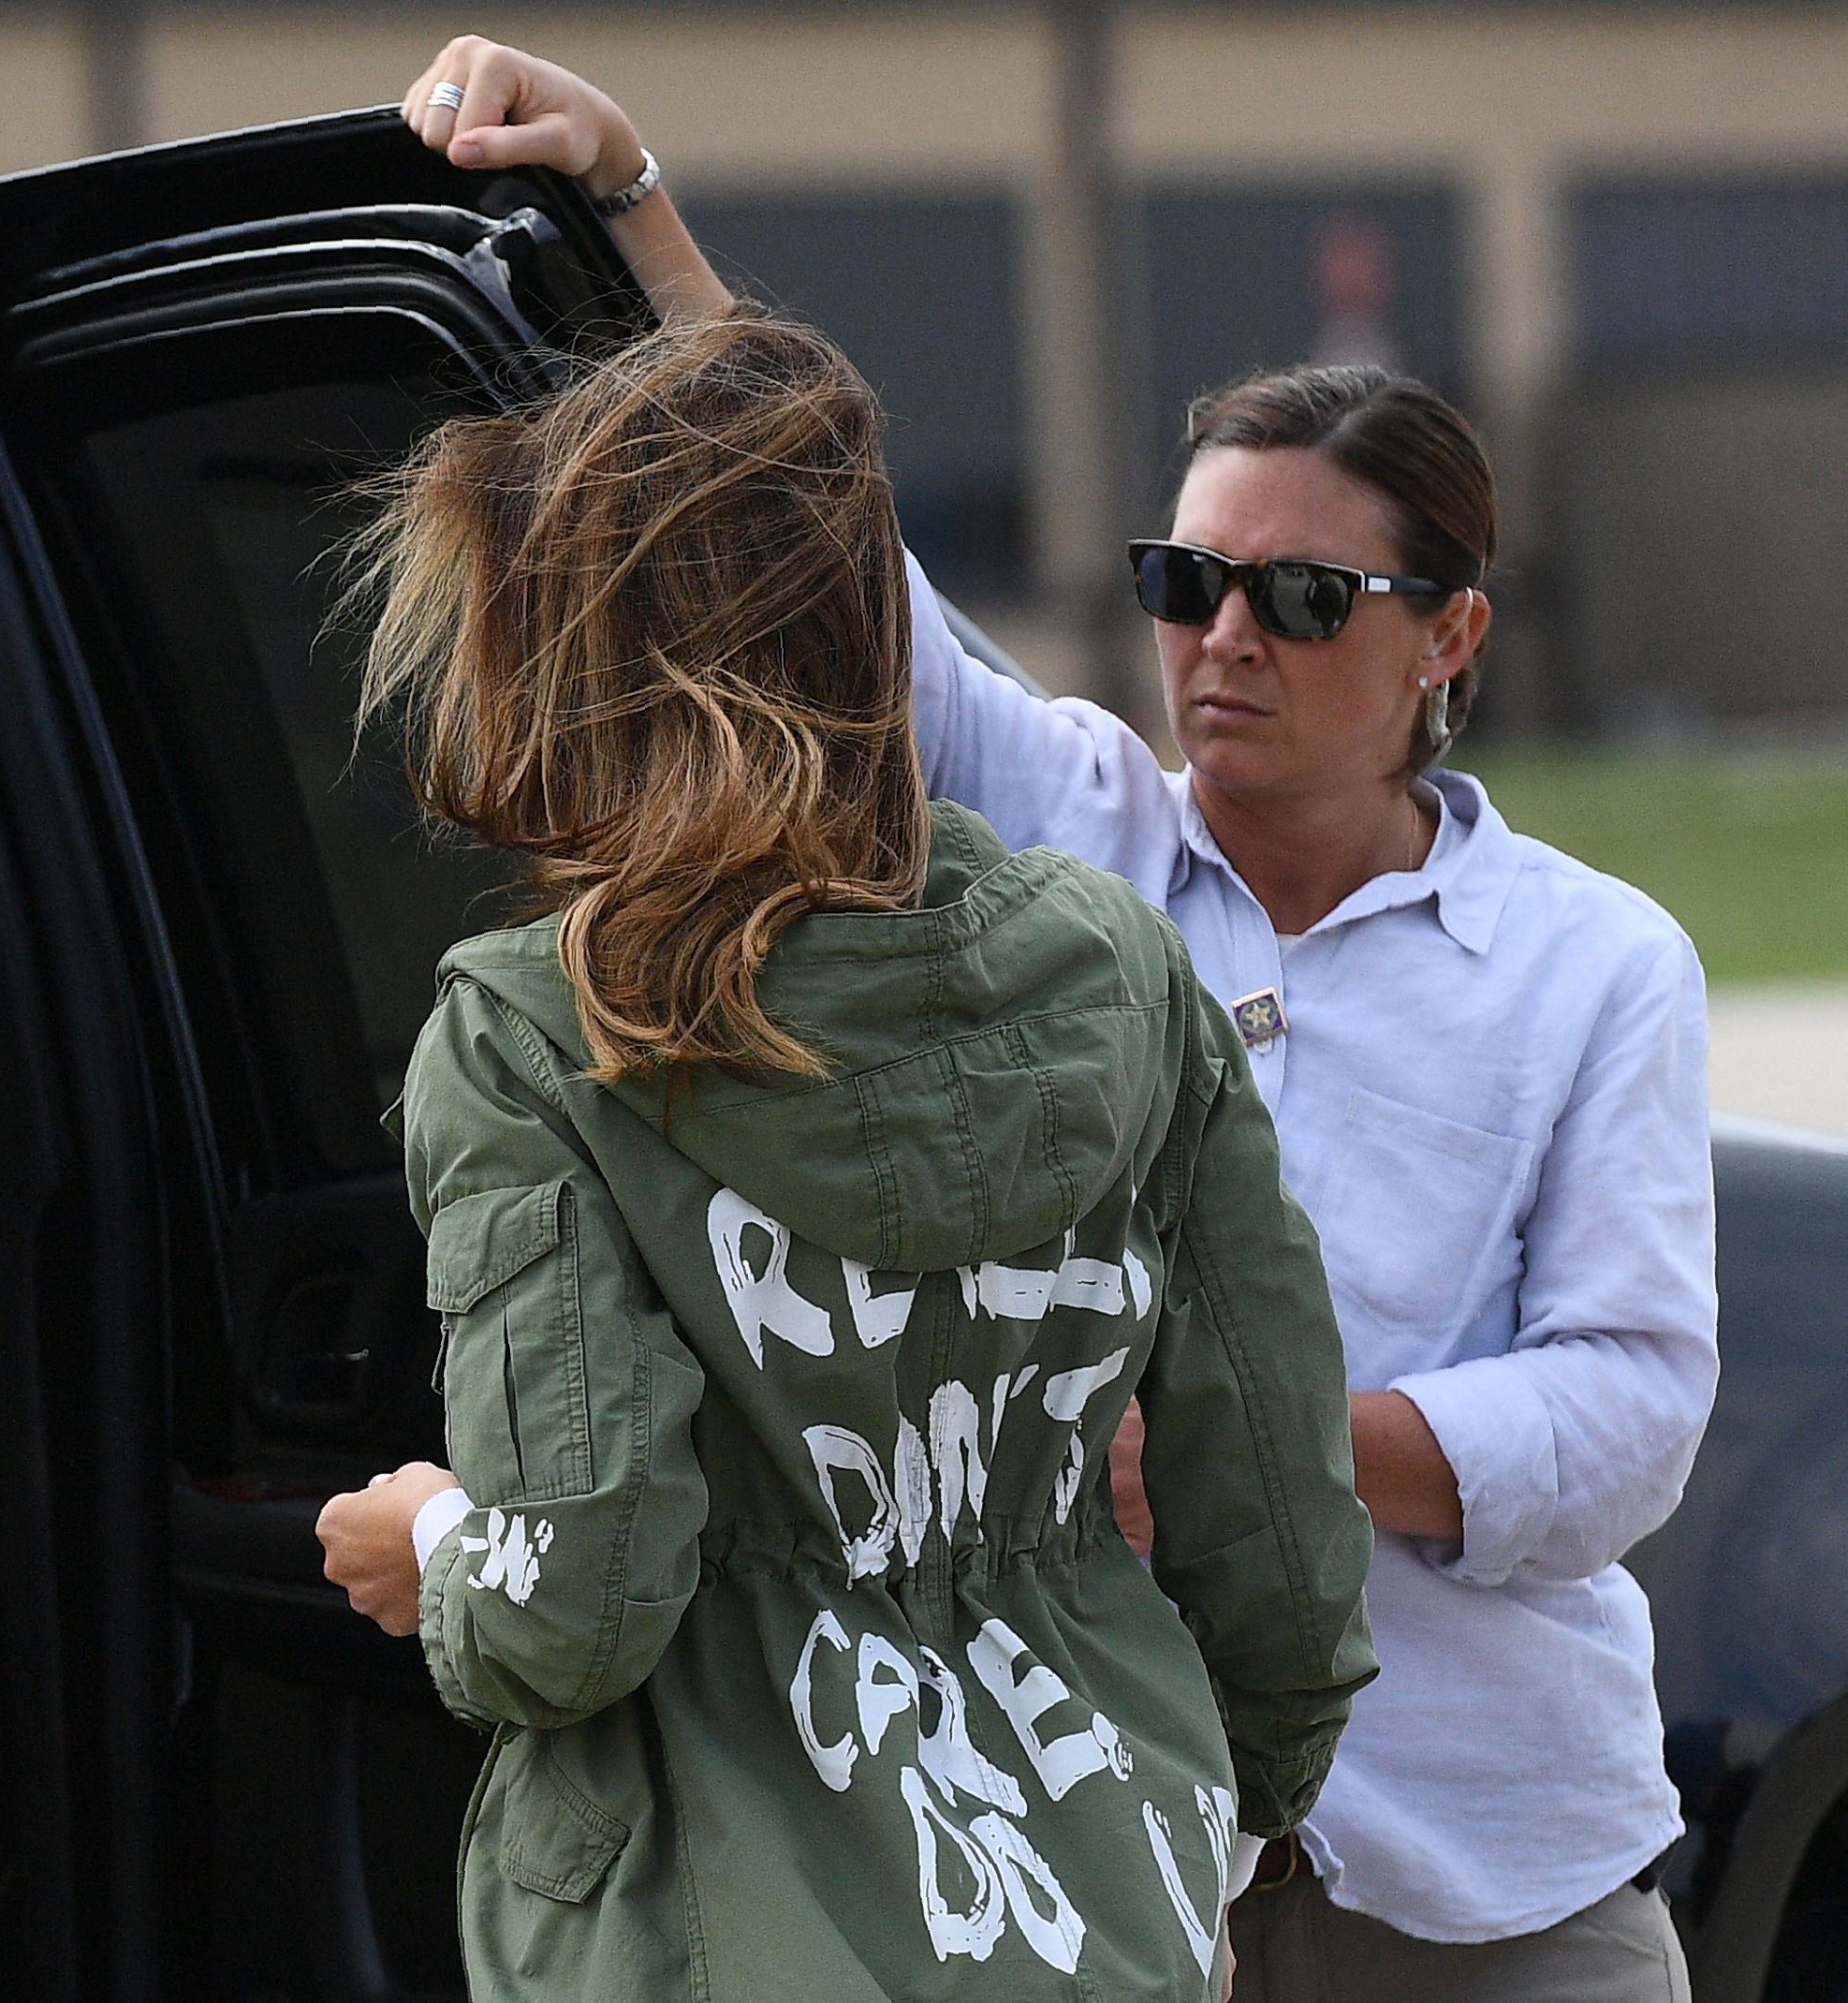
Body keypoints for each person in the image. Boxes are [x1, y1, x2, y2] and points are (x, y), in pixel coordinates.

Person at [324, 37, 1717, 2003]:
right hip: (1111, 1833)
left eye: (1299, 599)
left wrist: (1262, 1449)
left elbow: (1636, 1408)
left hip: (1479, 1829)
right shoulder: (1082, 832)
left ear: (1451, 633)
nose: (1223, 639)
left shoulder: (1597, 959)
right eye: (1184, 579)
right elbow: (799, 557)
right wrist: (632, 199)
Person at [323, 274, 1375, 1998]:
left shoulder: (530, 1035)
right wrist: (1216, 1823)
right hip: (1104, 1891)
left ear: (581, 655)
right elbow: (1274, 1508)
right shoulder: (1127, 966)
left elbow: (573, 1600)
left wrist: (431, 1541)